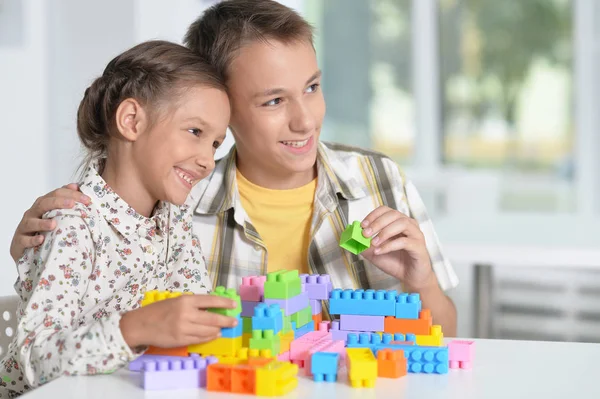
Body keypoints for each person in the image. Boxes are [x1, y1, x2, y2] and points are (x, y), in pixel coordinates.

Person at [9, 0, 459, 335]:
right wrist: (37, 256)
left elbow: (444, 334)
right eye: (273, 101)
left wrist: (423, 285)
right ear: (221, 107)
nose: (305, 120)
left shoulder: (379, 180)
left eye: (312, 86)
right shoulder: (178, 203)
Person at [0, 40, 236, 397]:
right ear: (131, 121)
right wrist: (134, 328)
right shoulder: (71, 224)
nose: (206, 159)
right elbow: (34, 359)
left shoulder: (175, 221)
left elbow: (192, 317)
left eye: (216, 143)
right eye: (195, 132)